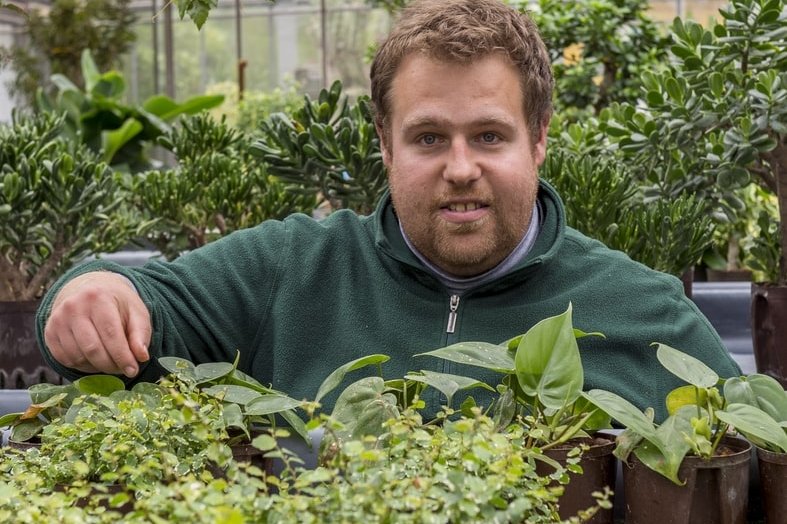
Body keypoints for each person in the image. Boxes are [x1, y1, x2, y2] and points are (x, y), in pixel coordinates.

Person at [36, 0, 739, 421]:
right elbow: (136, 303)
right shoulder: (293, 266)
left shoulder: (643, 312)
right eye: (428, 137)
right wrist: (92, 291)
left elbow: (750, 444)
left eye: (488, 136)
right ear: (384, 143)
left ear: (540, 140)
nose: (459, 168)